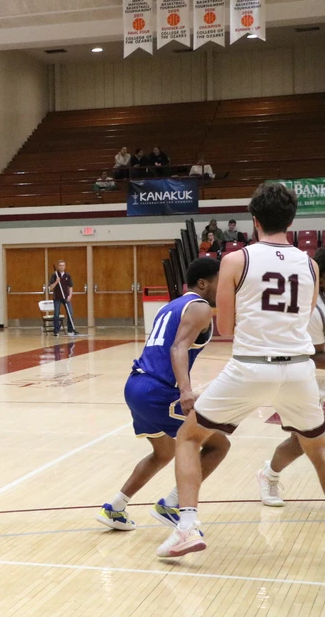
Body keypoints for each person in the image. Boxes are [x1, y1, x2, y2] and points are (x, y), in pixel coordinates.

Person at [159, 183, 325, 559]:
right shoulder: (310, 264)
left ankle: (186, 526)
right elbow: (304, 317)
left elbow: (228, 329)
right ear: (292, 221)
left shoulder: (236, 260)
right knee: (317, 449)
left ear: (254, 221)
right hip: (299, 368)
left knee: (188, 437)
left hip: (251, 366)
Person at [95, 258, 229, 532]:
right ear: (203, 283)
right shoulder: (200, 307)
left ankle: (115, 508)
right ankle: (173, 505)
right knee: (218, 445)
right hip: (159, 391)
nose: (224, 285)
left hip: (136, 385)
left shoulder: (170, 306)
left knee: (164, 452)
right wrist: (185, 390)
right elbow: (177, 349)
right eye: (219, 280)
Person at [255, 248, 325, 507]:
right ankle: (268, 475)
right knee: (301, 442)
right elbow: (313, 357)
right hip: (306, 379)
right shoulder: (313, 311)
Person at [48, 260, 77, 337]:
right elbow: (50, 288)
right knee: (56, 314)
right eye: (60, 265)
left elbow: (70, 286)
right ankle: (56, 331)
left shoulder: (68, 275)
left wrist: (70, 295)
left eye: (63, 265)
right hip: (57, 297)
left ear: (65, 266)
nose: (62, 267)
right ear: (58, 266)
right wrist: (56, 282)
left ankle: (70, 330)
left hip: (66, 297)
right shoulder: (54, 275)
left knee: (70, 312)